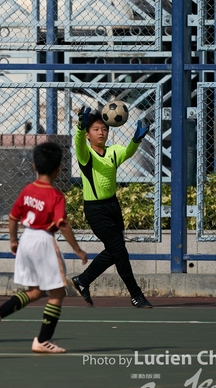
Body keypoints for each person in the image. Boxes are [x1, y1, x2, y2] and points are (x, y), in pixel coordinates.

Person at [0, 142, 88, 353]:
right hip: (43, 241)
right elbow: (62, 224)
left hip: (26, 239)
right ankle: (42, 340)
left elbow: (13, 218)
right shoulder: (56, 196)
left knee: (36, 291)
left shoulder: (27, 190)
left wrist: (13, 241)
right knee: (58, 293)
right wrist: (77, 249)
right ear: (59, 168)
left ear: (33, 166)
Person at [70, 107, 153, 308]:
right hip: (95, 210)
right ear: (89, 134)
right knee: (119, 252)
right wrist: (80, 128)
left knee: (115, 250)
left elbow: (128, 152)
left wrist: (136, 139)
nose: (101, 132)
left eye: (104, 129)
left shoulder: (113, 151)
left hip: (112, 206)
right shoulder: (86, 155)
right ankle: (136, 295)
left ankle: (82, 281)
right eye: (96, 129)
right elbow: (78, 143)